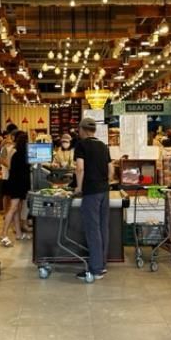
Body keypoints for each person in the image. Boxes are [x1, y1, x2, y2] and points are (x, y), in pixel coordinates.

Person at [74, 117, 113, 281]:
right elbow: (111, 169)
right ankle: (102, 265)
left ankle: (96, 269)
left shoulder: (81, 145)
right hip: (104, 191)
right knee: (103, 228)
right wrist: (105, 183)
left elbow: (80, 168)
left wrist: (79, 187)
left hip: (91, 192)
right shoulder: (103, 146)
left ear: (82, 130)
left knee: (93, 229)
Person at [0, 131, 31, 247]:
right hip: (18, 184)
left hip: (14, 183)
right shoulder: (23, 155)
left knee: (16, 209)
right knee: (13, 208)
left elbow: (11, 167)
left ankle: (18, 233)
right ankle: (3, 234)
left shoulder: (16, 153)